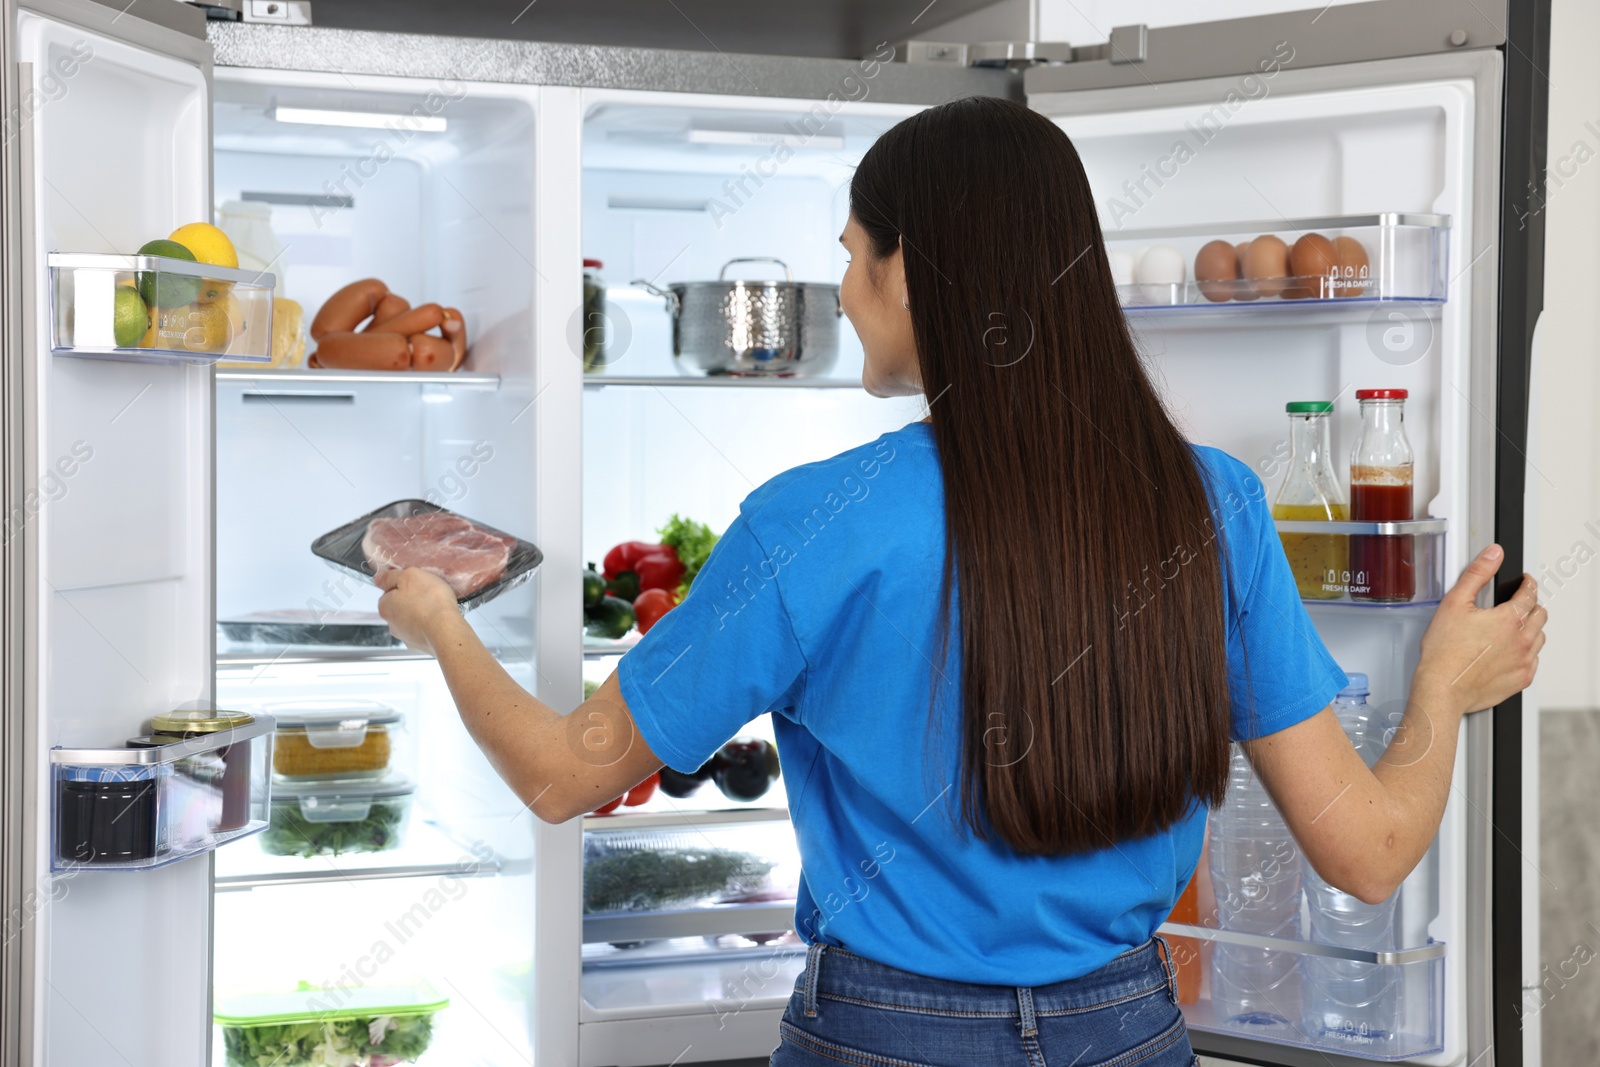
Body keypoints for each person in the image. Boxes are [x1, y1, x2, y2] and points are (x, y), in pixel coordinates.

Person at [375, 96, 1545, 1066]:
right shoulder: (1212, 502)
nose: (839, 289)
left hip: (882, 1036)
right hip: (1129, 1028)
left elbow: (555, 774)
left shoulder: (812, 521)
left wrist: (437, 616)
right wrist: (1436, 690)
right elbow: (1371, 852)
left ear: (910, 268)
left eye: (848, 253)